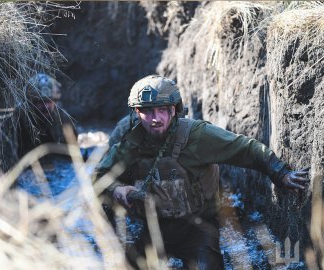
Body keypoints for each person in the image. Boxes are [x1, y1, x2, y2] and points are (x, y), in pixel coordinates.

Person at [93, 75, 309, 269]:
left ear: (174, 110)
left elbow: (246, 148)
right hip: (153, 228)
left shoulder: (197, 136)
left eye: (162, 110)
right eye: (147, 112)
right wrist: (117, 189)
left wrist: (281, 174)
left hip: (198, 228)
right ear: (137, 113)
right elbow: (98, 177)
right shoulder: (131, 141)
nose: (155, 118)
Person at [17, 73, 77, 158]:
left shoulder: (62, 117)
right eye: (40, 102)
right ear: (31, 102)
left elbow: (73, 148)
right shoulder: (20, 118)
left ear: (55, 101)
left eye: (49, 101)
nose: (45, 106)